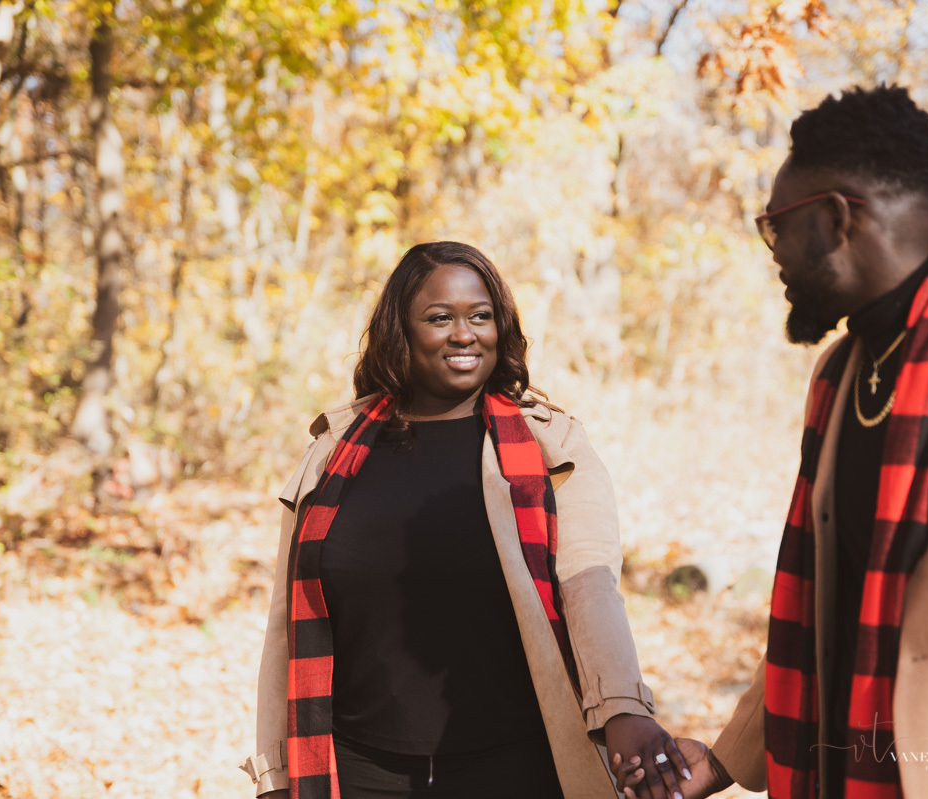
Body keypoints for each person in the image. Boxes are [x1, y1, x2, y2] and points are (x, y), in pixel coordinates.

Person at [615, 84, 928, 799]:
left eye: (777, 228)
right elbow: (822, 607)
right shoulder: (839, 373)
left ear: (835, 218)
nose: (775, 256)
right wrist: (730, 757)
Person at [241, 241, 690, 799]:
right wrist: (276, 775)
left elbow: (589, 584)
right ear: (399, 330)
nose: (464, 334)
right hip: (356, 771)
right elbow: (286, 624)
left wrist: (623, 708)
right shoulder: (334, 453)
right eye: (439, 318)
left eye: (480, 316)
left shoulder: (551, 448)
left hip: (515, 768)